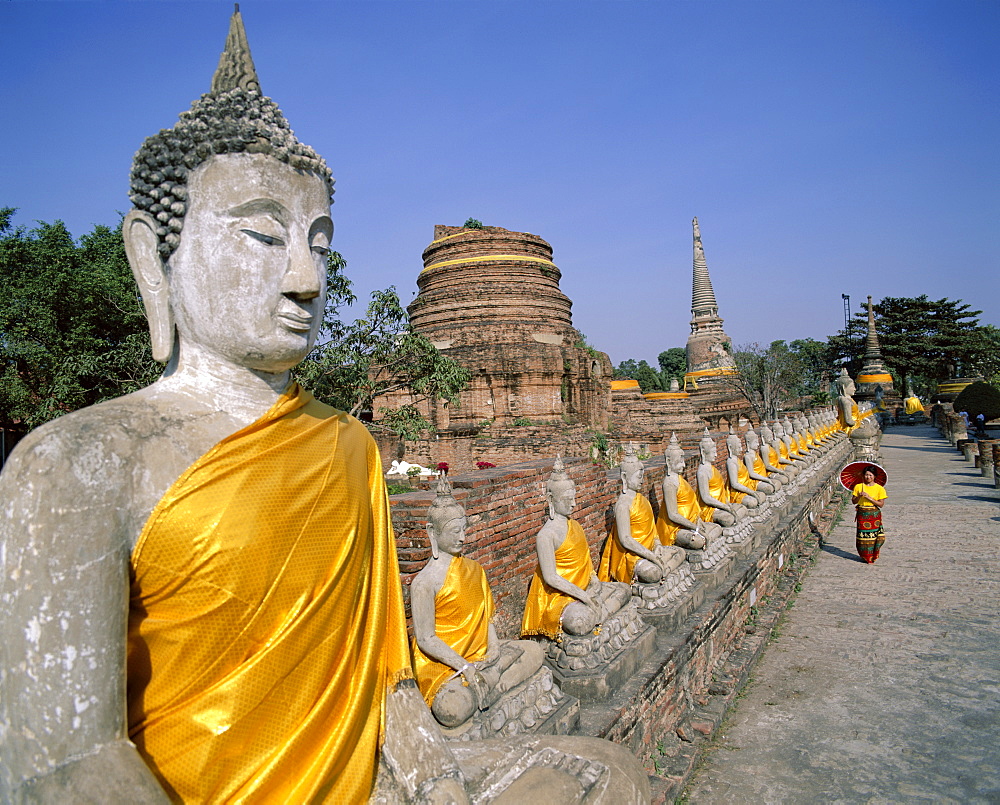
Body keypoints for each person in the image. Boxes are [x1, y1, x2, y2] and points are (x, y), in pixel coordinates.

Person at [851, 467, 888, 563]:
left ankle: (873, 555)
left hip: (874, 515)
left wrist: (869, 498)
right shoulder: (859, 487)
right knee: (862, 537)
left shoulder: (880, 488)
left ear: (874, 476)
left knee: (876, 536)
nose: (868, 477)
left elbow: (881, 504)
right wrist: (859, 496)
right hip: (862, 514)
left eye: (870, 475)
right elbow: (854, 501)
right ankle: (865, 556)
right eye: (866, 475)